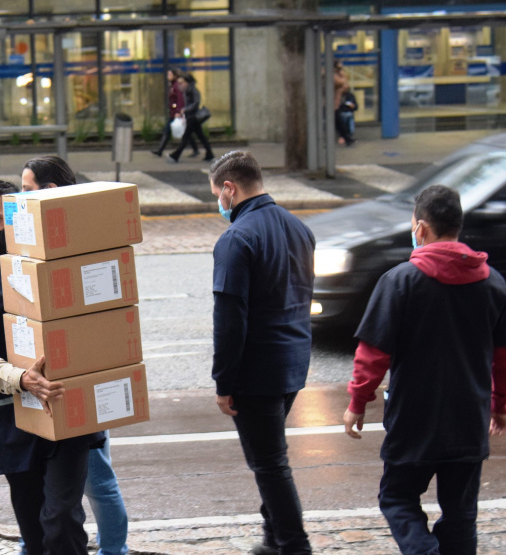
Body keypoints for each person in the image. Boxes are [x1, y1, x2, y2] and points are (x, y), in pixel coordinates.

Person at [343, 185, 506, 555]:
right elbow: (502, 356)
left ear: (420, 229)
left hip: (413, 420)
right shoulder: (493, 284)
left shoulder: (400, 282)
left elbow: (373, 352)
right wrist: (498, 404)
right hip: (468, 419)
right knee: (461, 514)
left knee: (397, 498)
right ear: (457, 227)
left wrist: (358, 401)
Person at [0, 180, 104, 555]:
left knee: (61, 519)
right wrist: (21, 379)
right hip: (12, 420)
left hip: (66, 412)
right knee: (34, 532)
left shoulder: (55, 258)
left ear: (17, 217)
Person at [20, 155, 130, 555]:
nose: (20, 199)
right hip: (56, 384)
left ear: (49, 192)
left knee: (97, 482)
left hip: (80, 385)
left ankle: (114, 551)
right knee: (50, 490)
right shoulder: (44, 238)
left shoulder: (76, 238)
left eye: (27, 190)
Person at [208, 151, 315, 555]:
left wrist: (224, 381)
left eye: (217, 193)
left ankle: (292, 545)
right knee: (271, 458)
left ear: (230, 189)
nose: (218, 202)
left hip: (256, 372)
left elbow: (230, 320)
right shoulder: (300, 229)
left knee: (270, 466)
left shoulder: (236, 239)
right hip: (293, 364)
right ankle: (274, 540)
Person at [151, 69, 197, 158]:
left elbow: (180, 99)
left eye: (170, 74)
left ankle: (160, 150)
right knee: (185, 132)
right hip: (173, 112)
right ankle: (195, 149)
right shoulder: (172, 85)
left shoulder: (176, 86)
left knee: (169, 131)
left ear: (175, 76)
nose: (168, 76)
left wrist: (178, 111)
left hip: (176, 113)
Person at [168, 74, 214, 163]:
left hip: (193, 117)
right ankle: (209, 153)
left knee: (186, 137)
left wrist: (185, 109)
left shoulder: (193, 90)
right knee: (201, 137)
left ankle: (176, 154)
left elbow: (196, 103)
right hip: (191, 117)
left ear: (188, 82)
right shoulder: (187, 90)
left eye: (183, 82)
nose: (182, 84)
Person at [333, 61, 355, 146]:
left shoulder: (336, 75)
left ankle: (346, 137)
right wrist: (342, 74)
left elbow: (346, 86)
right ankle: (346, 137)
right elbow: (343, 83)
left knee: (339, 123)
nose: (341, 70)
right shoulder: (333, 76)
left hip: (336, 103)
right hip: (332, 103)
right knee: (338, 122)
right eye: (339, 68)